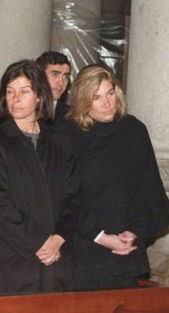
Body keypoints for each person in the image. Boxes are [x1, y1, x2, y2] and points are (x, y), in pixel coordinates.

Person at [56, 64, 169, 291]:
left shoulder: (134, 130)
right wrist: (100, 236)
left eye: (110, 93)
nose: (107, 104)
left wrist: (136, 231)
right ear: (83, 100)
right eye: (96, 97)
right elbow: (63, 195)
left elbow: (148, 189)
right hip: (83, 251)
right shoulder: (67, 133)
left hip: (126, 250)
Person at [0, 60, 78, 295]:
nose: (15, 99)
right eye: (10, 92)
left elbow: (72, 197)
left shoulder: (59, 143)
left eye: (24, 92)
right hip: (13, 257)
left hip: (55, 256)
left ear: (40, 97)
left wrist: (57, 239)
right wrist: (39, 242)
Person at [0, 51, 72, 126]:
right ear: (39, 75)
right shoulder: (10, 109)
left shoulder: (72, 115)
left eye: (65, 77)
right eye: (55, 74)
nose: (61, 82)